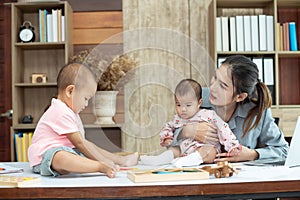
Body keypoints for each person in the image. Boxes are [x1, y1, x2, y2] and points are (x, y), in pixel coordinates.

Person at [28, 63, 138, 178]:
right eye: (85, 99)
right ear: (70, 91)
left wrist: (104, 157)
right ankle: (99, 166)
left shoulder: (71, 112)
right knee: (61, 156)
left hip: (68, 151)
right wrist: (102, 161)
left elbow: (83, 143)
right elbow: (79, 142)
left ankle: (120, 160)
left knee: (90, 147)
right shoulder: (60, 110)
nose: (86, 104)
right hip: (45, 158)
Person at [178, 55, 289, 163]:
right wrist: (186, 131)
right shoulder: (195, 98)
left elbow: (283, 151)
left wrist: (252, 154)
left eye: (223, 86)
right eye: (215, 77)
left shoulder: (258, 112)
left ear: (240, 97)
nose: (212, 87)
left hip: (239, 177)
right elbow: (168, 138)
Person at [140, 79, 242, 167]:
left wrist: (232, 146)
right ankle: (159, 159)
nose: (183, 109)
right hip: (184, 149)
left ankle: (191, 160)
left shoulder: (208, 115)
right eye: (179, 105)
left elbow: (223, 128)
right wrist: (167, 136)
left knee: (209, 151)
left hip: (205, 148)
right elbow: (168, 126)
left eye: (188, 105)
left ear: (199, 103)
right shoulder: (177, 119)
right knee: (174, 150)